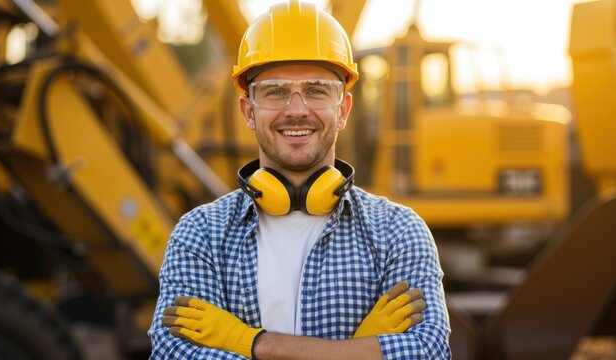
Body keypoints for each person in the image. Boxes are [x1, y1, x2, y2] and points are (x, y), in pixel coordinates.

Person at [148, 0, 451, 358]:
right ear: (248, 110)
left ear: (343, 110)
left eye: (316, 90)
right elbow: (174, 353)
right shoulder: (199, 234)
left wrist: (251, 343)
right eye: (275, 91)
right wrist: (357, 351)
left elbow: (427, 352)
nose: (296, 110)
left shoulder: (398, 232)